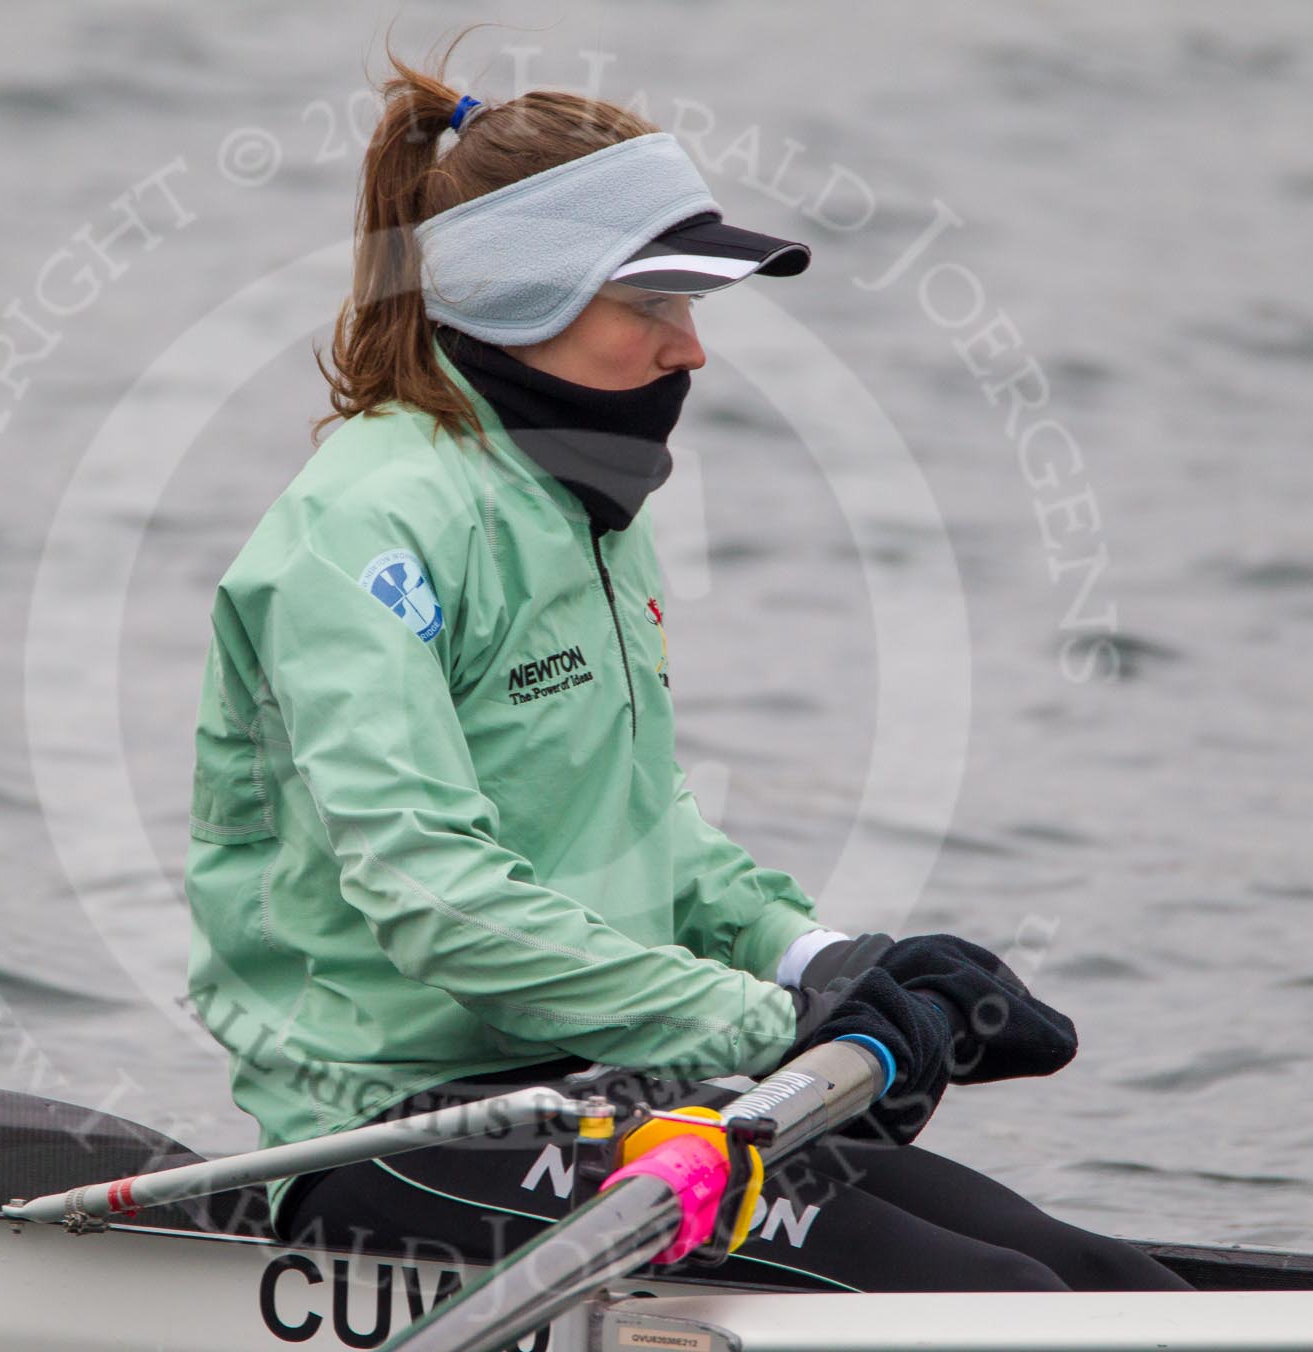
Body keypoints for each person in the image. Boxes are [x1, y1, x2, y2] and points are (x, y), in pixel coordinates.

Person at [182, 38, 1191, 1295]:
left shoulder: (582, 509)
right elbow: (433, 894)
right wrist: (781, 1032)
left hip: (609, 1090)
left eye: (694, 309)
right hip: (396, 1124)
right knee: (1004, 1305)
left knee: (1103, 1280)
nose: (692, 352)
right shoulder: (366, 530)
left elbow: (650, 837)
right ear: (518, 299)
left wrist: (825, 962)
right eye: (652, 306)